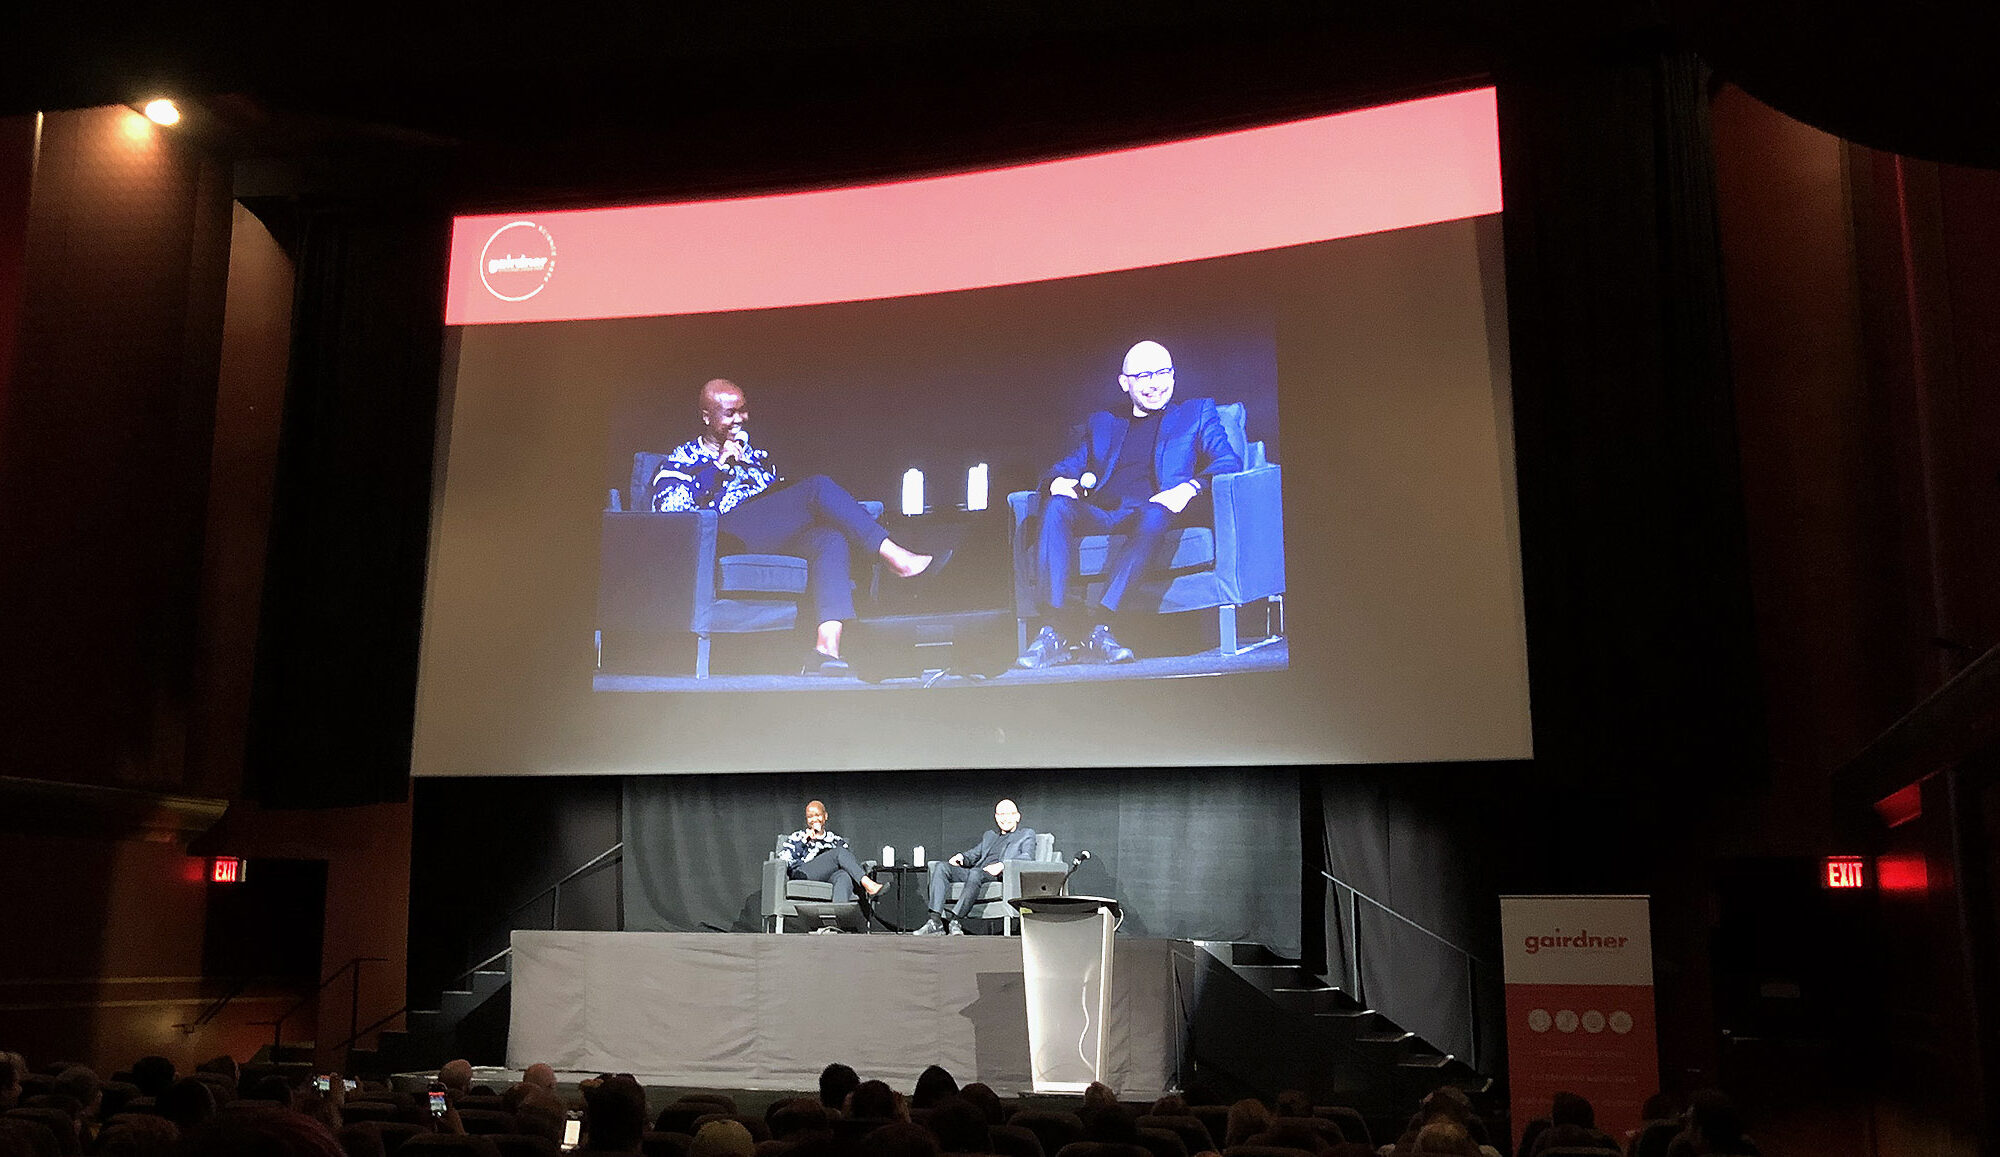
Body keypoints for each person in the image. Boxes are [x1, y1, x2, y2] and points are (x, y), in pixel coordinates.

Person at [649, 378, 939, 675]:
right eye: (730, 413)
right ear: (706, 417)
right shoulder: (682, 461)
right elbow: (673, 514)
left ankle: (825, 649)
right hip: (724, 537)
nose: (740, 419)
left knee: (830, 538)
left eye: (744, 410)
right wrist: (718, 468)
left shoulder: (754, 457)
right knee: (817, 488)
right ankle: (897, 559)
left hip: (764, 534)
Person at [1018, 340, 1243, 668]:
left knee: (1154, 512)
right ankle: (1055, 630)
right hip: (1106, 512)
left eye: (1164, 372)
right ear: (1125, 382)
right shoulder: (1103, 423)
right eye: (1145, 375)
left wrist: (1189, 488)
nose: (1156, 383)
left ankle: (1102, 627)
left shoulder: (1195, 413)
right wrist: (1057, 482)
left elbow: (1228, 460)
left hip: (1155, 512)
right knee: (1055, 506)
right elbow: (1065, 466)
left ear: (1174, 376)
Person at [914, 799, 1038, 935]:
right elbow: (974, 854)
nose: (1005, 818)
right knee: (941, 867)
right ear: (996, 817)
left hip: (997, 875)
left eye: (1008, 814)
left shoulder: (1026, 834)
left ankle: (956, 920)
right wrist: (961, 857)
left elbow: (1027, 857)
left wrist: (1002, 866)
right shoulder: (990, 836)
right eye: (1001, 814)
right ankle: (935, 921)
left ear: (1017, 816)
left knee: (975, 873)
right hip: (977, 872)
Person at [778, 800, 886, 904]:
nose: (814, 819)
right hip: (805, 873)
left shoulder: (835, 840)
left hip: (827, 876)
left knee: (844, 876)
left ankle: (836, 919)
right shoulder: (798, 837)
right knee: (839, 852)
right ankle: (868, 885)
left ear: (825, 816)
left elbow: (850, 863)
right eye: (810, 817)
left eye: (818, 815)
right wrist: (804, 841)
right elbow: (783, 859)